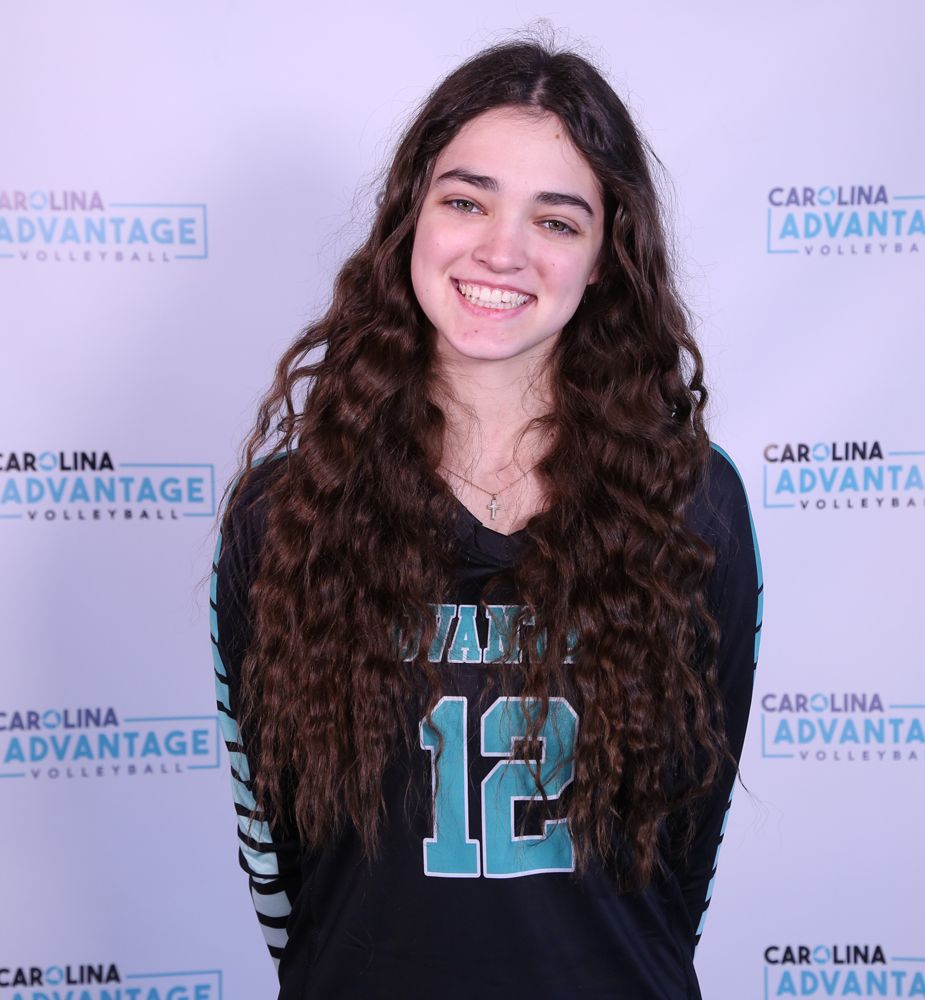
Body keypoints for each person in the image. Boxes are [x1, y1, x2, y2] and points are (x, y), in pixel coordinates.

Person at [211, 38, 762, 1000]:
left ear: (605, 258)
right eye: (466, 201)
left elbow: (686, 852)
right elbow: (280, 857)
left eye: (556, 220)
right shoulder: (286, 513)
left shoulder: (694, 507)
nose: (501, 251)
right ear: (411, 217)